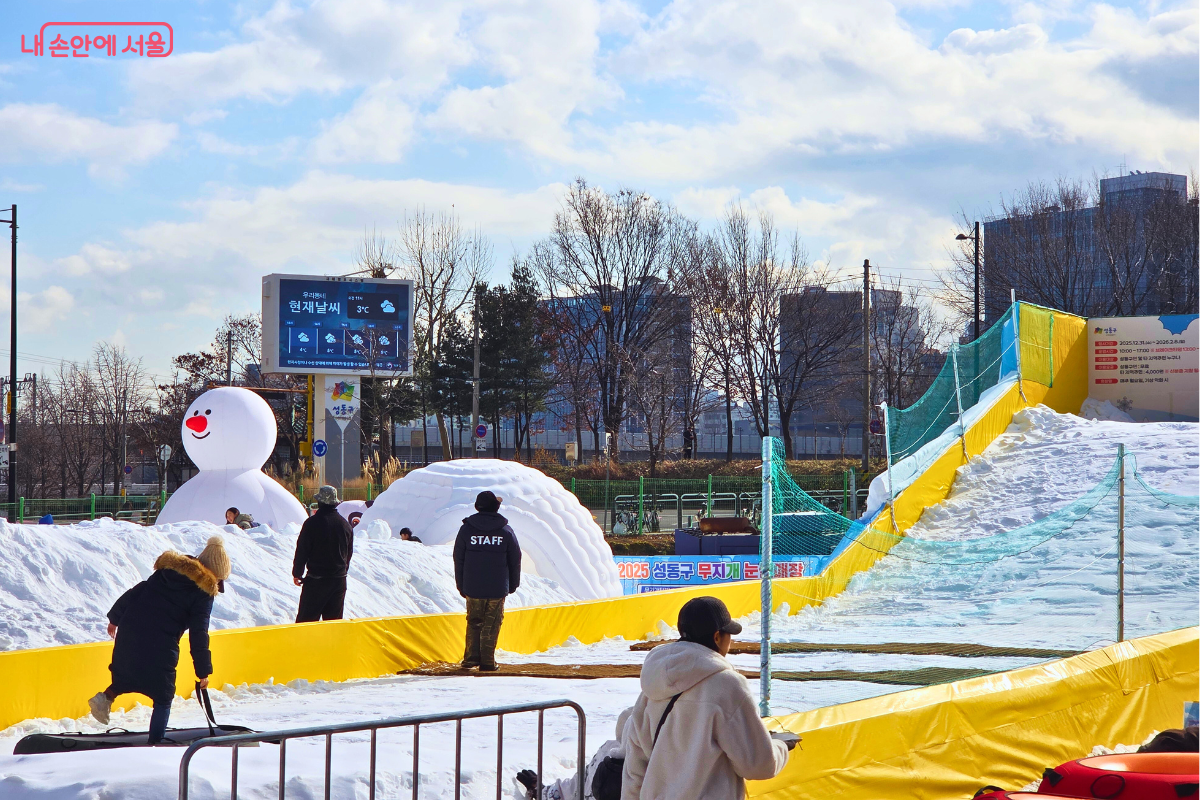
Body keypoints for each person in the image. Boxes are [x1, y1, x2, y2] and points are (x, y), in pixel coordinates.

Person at [621, 596, 795, 799]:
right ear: (716, 637)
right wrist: (782, 745)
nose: (731, 640)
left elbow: (634, 771)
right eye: (729, 634)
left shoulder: (652, 686)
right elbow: (758, 765)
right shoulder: (727, 686)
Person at [88, 536, 231, 744]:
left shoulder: (169, 571)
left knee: (125, 675)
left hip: (130, 632)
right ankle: (155, 744)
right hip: (160, 644)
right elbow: (199, 633)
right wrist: (203, 671)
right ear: (215, 575)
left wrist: (115, 619)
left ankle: (105, 698)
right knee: (163, 697)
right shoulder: (203, 592)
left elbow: (137, 591)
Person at [453, 491, 521, 671]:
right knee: (491, 623)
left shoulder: (466, 529)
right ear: (496, 508)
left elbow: (458, 558)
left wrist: (461, 584)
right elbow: (515, 559)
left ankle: (470, 659)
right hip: (497, 587)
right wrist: (512, 584)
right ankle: (488, 662)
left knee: (474, 621)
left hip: (472, 585)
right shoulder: (506, 531)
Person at [517, 708, 633, 800]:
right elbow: (578, 786)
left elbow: (576, 788)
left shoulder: (608, 756)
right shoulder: (644, 765)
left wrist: (542, 793)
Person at [292, 485, 354, 623]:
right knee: (333, 624)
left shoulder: (312, 523)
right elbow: (348, 554)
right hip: (339, 581)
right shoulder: (345, 525)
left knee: (306, 622)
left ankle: (304, 645)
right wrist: (342, 572)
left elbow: (302, 549)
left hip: (317, 581)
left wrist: (297, 572)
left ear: (320, 502)